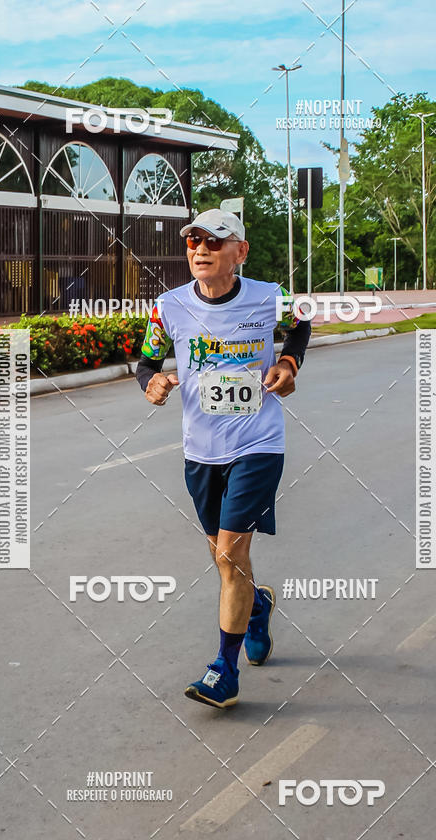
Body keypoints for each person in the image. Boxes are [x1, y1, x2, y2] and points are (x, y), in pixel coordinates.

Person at [136, 209, 310, 708]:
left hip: (258, 442)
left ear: (241, 251)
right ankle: (257, 607)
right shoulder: (168, 306)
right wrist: (152, 380)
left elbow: (301, 324)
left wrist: (287, 360)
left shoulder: (269, 296)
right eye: (193, 242)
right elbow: (147, 359)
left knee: (231, 555)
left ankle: (223, 670)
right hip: (201, 451)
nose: (200, 250)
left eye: (214, 242)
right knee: (222, 558)